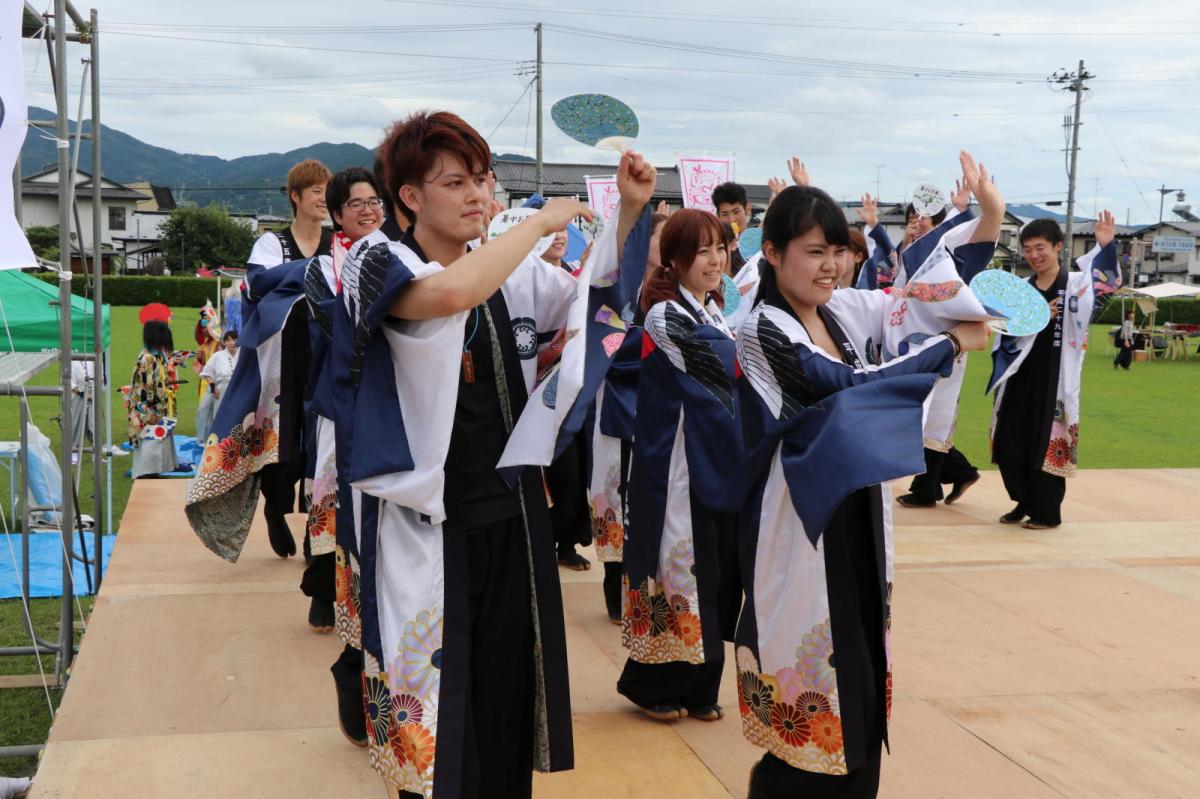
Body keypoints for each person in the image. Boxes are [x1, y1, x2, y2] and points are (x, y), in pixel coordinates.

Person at [337, 110, 652, 798]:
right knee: (439, 728)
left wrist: (627, 213)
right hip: (423, 529)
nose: (478, 194)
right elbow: (452, 292)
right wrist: (537, 226)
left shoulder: (511, 273)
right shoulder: (377, 260)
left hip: (509, 518)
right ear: (411, 198)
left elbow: (595, 303)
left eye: (483, 179)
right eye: (455, 182)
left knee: (505, 700)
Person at [734, 184, 991, 798]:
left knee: (860, 680)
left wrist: (988, 219)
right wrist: (950, 345)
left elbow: (923, 288)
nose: (831, 266)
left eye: (839, 252)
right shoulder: (760, 330)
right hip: (801, 524)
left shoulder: (841, 312)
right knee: (811, 691)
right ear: (771, 252)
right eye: (814, 251)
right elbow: (848, 388)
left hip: (856, 517)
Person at [617, 208, 744, 723]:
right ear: (676, 259)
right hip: (674, 465)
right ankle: (655, 682)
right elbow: (720, 365)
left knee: (712, 570)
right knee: (679, 568)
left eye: (720, 248)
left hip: (712, 459)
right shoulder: (665, 315)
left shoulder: (713, 312)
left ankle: (701, 682)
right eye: (703, 250)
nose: (715, 261)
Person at [989, 211, 1120, 530]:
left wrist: (1106, 247)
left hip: (1056, 379)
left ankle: (1046, 511)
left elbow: (1107, 288)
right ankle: (1025, 499)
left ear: (1058, 247)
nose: (1033, 255)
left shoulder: (1076, 285)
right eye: (1028, 249)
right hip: (1018, 376)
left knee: (1046, 441)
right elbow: (997, 325)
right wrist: (1034, 316)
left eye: (1040, 248)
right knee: (1007, 442)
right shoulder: (1020, 288)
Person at [244, 158, 334, 559]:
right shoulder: (272, 243)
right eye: (316, 191)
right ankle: (275, 508)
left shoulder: (340, 240)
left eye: (327, 191)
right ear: (295, 197)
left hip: (327, 356)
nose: (323, 199)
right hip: (281, 358)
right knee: (283, 445)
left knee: (323, 445)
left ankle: (318, 535)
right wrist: (311, 267)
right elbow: (258, 282)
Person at [591, 211, 669, 622]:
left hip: (660, 412)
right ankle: (616, 593)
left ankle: (650, 593)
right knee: (616, 501)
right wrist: (663, 345)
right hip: (621, 411)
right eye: (660, 236)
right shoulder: (614, 287)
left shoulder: (674, 287)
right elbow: (608, 341)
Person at [127, 320, 181, 479]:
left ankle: (151, 472)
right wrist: (151, 411)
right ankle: (146, 474)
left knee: (155, 441)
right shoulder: (148, 358)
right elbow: (148, 387)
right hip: (149, 408)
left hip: (155, 407)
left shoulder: (156, 356)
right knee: (151, 441)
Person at [197, 331, 238, 440]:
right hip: (222, 388)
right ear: (224, 342)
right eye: (228, 340)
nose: (231, 342)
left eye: (234, 339)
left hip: (238, 388)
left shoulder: (242, 355)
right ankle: (218, 439)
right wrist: (213, 388)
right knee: (217, 414)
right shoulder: (218, 356)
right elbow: (207, 373)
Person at [192, 302, 222, 444]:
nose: (204, 329)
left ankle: (208, 439)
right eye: (202, 326)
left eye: (206, 326)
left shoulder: (219, 343)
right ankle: (204, 438)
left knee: (209, 410)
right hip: (205, 382)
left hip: (214, 382)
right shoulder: (205, 342)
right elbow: (206, 363)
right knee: (203, 410)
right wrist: (200, 357)